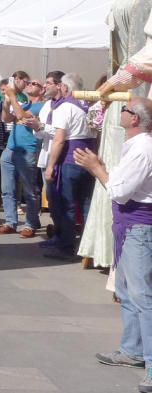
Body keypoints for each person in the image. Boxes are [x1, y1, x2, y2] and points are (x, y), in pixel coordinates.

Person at [82, 0, 152, 271]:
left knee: (135, 176)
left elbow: (149, 51)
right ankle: (111, 255)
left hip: (142, 95)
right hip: (123, 94)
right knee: (111, 169)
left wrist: (117, 81)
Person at [73, 97, 152, 391]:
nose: (122, 112)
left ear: (136, 119)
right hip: (130, 227)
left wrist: (96, 168)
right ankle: (132, 350)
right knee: (128, 291)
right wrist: (102, 166)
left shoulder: (143, 147)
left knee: (143, 296)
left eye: (126, 109)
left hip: (139, 228)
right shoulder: (137, 145)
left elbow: (118, 191)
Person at [38, 72, 96, 259]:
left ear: (66, 88)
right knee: (87, 204)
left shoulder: (66, 108)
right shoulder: (90, 107)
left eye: (62, 86)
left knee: (67, 204)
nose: (60, 88)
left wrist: (50, 166)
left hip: (71, 160)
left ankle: (66, 246)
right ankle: (90, 248)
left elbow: (59, 139)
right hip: (89, 159)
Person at [0, 78, 44, 237]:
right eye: (29, 82)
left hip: (27, 150)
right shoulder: (23, 104)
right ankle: (10, 222)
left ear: (42, 90)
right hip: (10, 148)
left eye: (34, 83)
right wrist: (7, 103)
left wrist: (13, 97)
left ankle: (30, 223)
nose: (30, 84)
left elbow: (22, 117)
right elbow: (6, 118)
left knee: (29, 190)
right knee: (7, 189)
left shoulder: (42, 106)